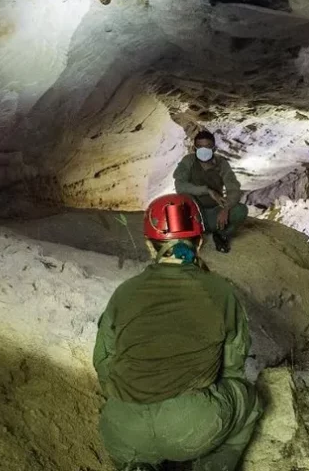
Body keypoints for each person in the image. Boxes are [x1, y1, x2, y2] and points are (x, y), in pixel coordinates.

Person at [93, 194, 262, 471]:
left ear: (150, 246)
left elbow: (103, 363)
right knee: (249, 400)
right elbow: (233, 367)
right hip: (190, 425)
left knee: (133, 437)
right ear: (198, 243)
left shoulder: (123, 294)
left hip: (123, 430)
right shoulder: (220, 292)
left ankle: (137, 465)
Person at [173, 130, 248, 253]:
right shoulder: (188, 161)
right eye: (200, 146)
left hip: (214, 212)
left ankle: (221, 234)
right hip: (193, 213)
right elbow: (180, 186)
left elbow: (233, 188)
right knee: (178, 205)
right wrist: (207, 190)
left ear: (214, 149)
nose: (203, 150)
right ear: (194, 148)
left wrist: (226, 208)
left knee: (240, 210)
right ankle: (193, 235)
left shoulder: (221, 163)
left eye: (208, 147)